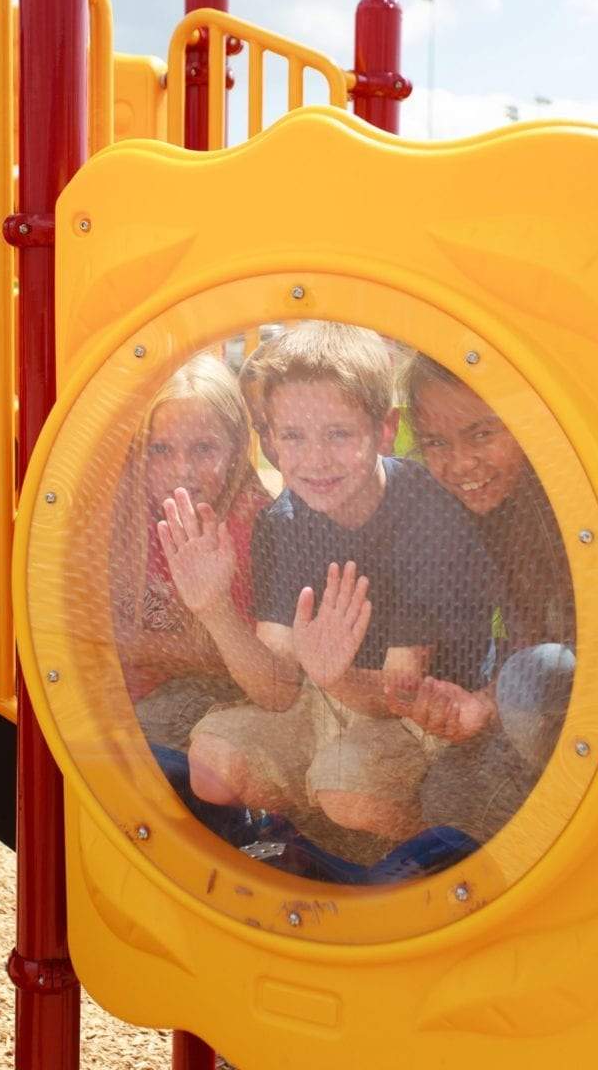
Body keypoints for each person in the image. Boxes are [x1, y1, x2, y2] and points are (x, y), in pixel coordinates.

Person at [158, 322, 499, 859]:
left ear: (384, 430)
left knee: (348, 791)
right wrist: (214, 607)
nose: (313, 460)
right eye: (293, 436)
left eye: (338, 434)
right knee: (214, 764)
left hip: (421, 719)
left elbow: (400, 694)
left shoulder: (427, 513)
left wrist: (331, 673)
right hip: (327, 696)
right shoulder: (284, 520)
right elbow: (276, 689)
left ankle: (439, 855)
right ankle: (305, 842)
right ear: (269, 440)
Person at [395, 352, 598, 868]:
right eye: (436, 443)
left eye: (480, 434)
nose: (460, 463)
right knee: (446, 791)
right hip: (579, 713)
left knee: (532, 685)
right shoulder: (498, 511)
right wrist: (477, 708)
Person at [110, 352, 270, 753]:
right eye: (161, 450)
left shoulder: (253, 525)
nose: (182, 470)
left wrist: (133, 644)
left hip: (214, 694)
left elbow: (236, 662)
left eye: (203, 449)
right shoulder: (126, 511)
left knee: (137, 742)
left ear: (236, 448)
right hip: (123, 688)